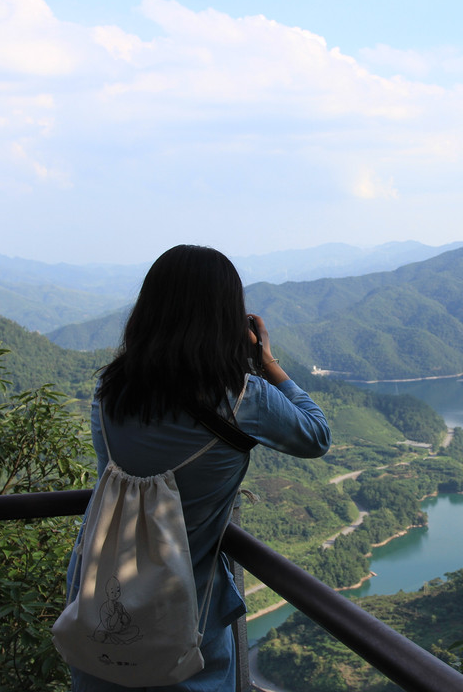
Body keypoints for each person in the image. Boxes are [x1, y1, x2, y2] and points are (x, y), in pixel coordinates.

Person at [67, 244, 332, 691]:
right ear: (228, 319)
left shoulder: (109, 390)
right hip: (186, 613)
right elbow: (316, 435)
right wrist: (267, 361)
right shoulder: (244, 398)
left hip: (99, 596)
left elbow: (113, 478)